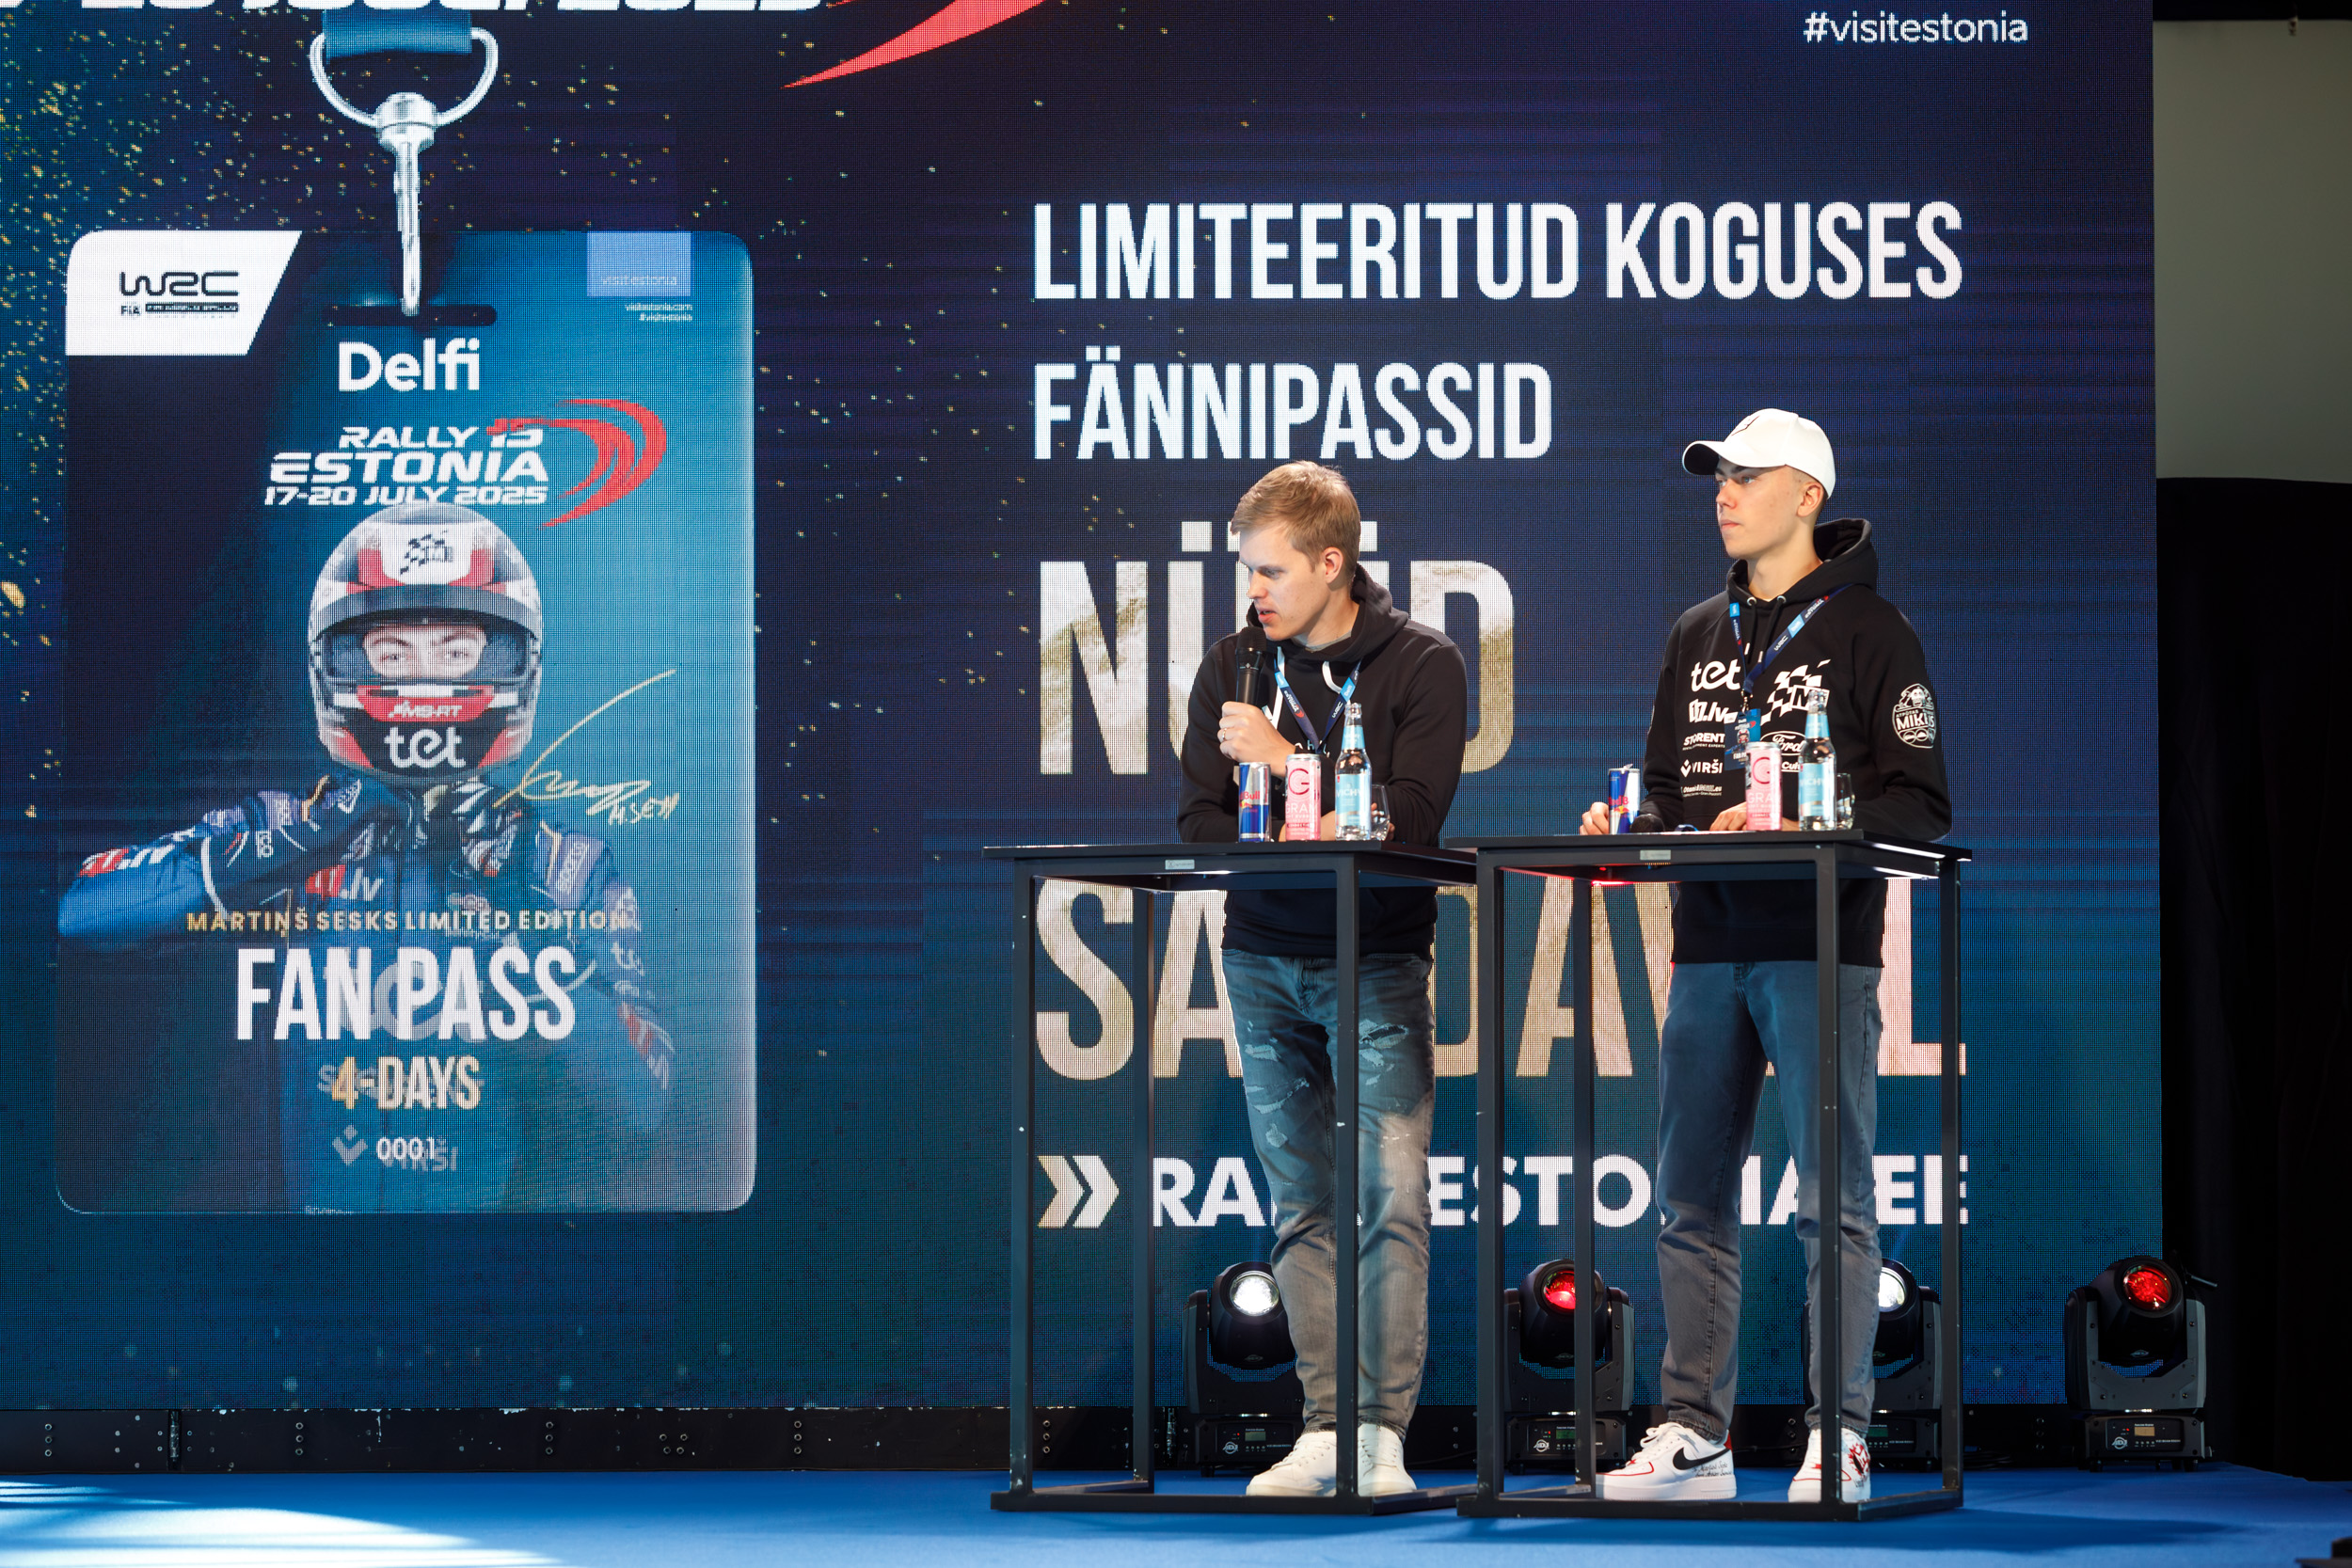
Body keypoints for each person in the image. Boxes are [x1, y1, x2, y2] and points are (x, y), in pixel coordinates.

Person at [59, 501, 673, 1212]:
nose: (425, 680)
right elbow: (83, 912)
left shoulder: (566, 867)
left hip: (494, 1234)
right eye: (391, 653)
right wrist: (302, 841)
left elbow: (647, 1099)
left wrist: (527, 955)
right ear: (337, 664)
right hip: (318, 1234)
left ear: (514, 663)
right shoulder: (279, 825)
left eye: (456, 651)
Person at [1584, 410, 1950, 1503]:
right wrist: (1630, 828)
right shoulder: (1697, 629)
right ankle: (1694, 1434)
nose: (1724, 491)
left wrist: (1804, 817)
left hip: (1817, 941)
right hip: (1705, 940)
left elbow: (1920, 804)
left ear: (1807, 495)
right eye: (1717, 476)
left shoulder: (1872, 629)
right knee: (1688, 1198)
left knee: (1830, 1200)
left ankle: (1839, 1433)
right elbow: (1665, 783)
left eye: (1747, 475)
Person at [1176, 462, 1469, 1497]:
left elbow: (1411, 821)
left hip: (1374, 957)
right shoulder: (1232, 664)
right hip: (1258, 955)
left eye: (1271, 570)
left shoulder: (1423, 663)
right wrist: (1313, 814)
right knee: (1302, 1201)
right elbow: (1200, 822)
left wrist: (1284, 762)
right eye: (1248, 571)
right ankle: (1326, 1427)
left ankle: (1380, 1433)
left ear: (1332, 563)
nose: (1253, 590)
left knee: (1387, 1195)